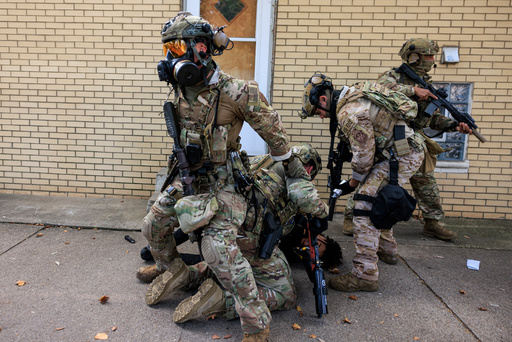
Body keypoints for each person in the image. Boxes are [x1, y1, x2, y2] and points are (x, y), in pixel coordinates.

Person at [137, 12, 311, 341]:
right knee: (154, 223)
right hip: (189, 175)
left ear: (201, 49)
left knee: (217, 247)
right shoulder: (184, 86)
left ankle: (256, 327)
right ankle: (174, 273)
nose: (169, 58)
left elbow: (279, 142)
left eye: (175, 49)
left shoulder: (239, 91)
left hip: (225, 182)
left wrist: (299, 179)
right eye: (167, 50)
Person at [143, 144, 336, 325]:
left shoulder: (259, 162)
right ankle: (220, 300)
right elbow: (304, 198)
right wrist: (323, 212)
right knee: (286, 294)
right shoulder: (296, 177)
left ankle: (183, 275)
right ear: (309, 168)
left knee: (225, 266)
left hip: (218, 235)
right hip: (249, 240)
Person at [301, 72, 425, 292]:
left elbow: (364, 159)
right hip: (403, 150)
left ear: (323, 99)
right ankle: (387, 250)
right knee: (377, 199)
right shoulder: (354, 92)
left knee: (363, 206)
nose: (320, 116)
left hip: (401, 155)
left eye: (318, 112)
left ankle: (365, 275)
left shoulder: (350, 112)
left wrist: (350, 185)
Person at [342, 38, 473, 240]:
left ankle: (432, 222)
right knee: (377, 180)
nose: (432, 60)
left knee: (426, 180)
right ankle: (351, 215)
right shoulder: (392, 77)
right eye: (428, 56)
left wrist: (454, 125)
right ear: (415, 57)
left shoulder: (426, 84)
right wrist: (413, 91)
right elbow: (377, 91)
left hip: (415, 140)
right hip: (394, 137)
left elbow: (430, 118)